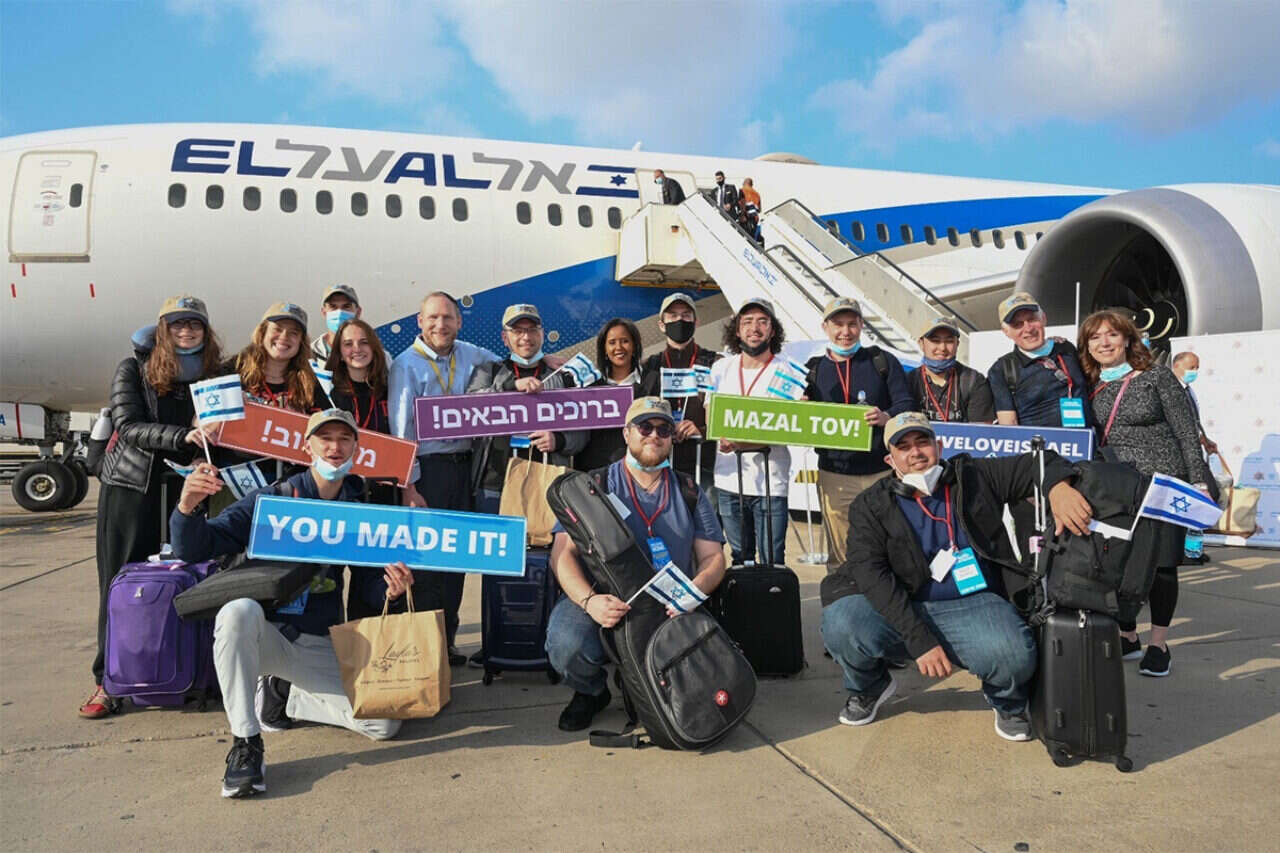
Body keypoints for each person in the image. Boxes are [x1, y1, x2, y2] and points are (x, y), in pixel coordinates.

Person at [169, 409, 414, 798]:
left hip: (316, 640)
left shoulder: (360, 508)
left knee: (383, 725)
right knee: (237, 611)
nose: (334, 447)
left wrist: (391, 592)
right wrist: (187, 508)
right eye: (325, 438)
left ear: (356, 449)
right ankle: (246, 744)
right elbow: (196, 546)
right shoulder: (273, 498)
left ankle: (286, 697)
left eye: (344, 439)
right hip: (264, 636)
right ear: (306, 447)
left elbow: (369, 588)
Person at [820, 412, 1094, 737]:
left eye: (922, 442)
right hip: (904, 603)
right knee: (841, 623)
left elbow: (1041, 462)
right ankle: (869, 686)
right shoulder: (870, 504)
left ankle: (1006, 701)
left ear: (939, 446)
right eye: (903, 447)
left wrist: (1058, 489)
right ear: (890, 460)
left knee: (1014, 655)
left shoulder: (974, 476)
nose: (915, 453)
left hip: (974, 603)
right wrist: (920, 641)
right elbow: (871, 574)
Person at [80, 296, 225, 719]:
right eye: (177, 324)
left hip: (189, 489)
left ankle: (189, 673)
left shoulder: (215, 374)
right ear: (163, 329)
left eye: (195, 324)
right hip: (133, 489)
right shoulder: (133, 368)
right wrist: (184, 437)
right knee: (119, 587)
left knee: (194, 580)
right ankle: (108, 680)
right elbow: (128, 425)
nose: (187, 332)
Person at [547, 397, 726, 731]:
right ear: (626, 433)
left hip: (669, 603)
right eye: (644, 427)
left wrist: (692, 592)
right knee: (565, 645)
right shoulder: (593, 486)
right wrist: (589, 601)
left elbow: (713, 558)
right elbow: (562, 555)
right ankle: (591, 691)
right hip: (605, 595)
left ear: (672, 438)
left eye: (663, 429)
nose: (654, 435)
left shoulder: (689, 490)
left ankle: (640, 681)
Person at [1080, 310, 1212, 677]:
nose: (1104, 343)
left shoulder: (1157, 377)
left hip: (1162, 483)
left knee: (1162, 565)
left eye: (1112, 335)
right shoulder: (1088, 385)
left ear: (1127, 339)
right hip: (1116, 486)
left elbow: (1186, 431)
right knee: (1119, 563)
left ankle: (1158, 644)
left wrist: (1198, 481)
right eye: (1095, 337)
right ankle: (1128, 635)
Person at [388, 291, 499, 664]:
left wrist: (545, 360)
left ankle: (446, 641)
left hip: (463, 468)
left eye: (448, 318)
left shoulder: (471, 354)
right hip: (428, 472)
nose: (440, 325)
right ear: (420, 321)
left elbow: (508, 365)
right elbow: (401, 431)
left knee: (456, 559)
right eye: (433, 318)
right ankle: (425, 648)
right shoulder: (406, 365)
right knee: (426, 562)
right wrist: (409, 487)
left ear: (459, 322)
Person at [803, 297, 913, 572]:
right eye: (838, 324)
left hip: (881, 471)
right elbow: (796, 412)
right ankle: (843, 594)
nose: (845, 331)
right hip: (835, 474)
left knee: (889, 543)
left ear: (862, 325)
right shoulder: (813, 369)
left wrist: (886, 416)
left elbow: (905, 404)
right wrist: (800, 407)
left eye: (852, 324)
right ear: (825, 327)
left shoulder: (881, 361)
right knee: (841, 553)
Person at [986, 292, 1091, 562]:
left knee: (1084, 549)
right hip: (1040, 472)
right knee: (1038, 554)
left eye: (1031, 319)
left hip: (1084, 463)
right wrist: (1028, 480)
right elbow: (1009, 427)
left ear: (1043, 318)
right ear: (1006, 332)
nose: (1027, 328)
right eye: (1017, 324)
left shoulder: (1068, 350)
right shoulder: (1002, 369)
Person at [709, 298, 791, 566]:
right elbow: (713, 414)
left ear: (773, 330)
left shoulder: (787, 370)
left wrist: (738, 442)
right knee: (739, 559)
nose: (754, 328)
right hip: (728, 479)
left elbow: (785, 428)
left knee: (772, 560)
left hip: (771, 481)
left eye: (762, 322)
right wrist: (724, 437)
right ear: (737, 330)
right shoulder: (721, 368)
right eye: (747, 322)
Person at [638, 292, 719, 488]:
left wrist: (702, 430)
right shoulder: (649, 365)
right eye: (673, 316)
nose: (680, 320)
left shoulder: (715, 362)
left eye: (685, 315)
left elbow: (725, 414)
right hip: (660, 462)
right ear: (662, 324)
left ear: (695, 322)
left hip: (704, 462)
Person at [574, 317, 644, 472]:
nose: (619, 347)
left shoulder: (650, 382)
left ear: (634, 346)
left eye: (625, 341)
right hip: (593, 472)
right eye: (612, 342)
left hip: (637, 472)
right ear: (604, 349)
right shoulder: (590, 385)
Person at [236, 302, 331, 415]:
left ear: (301, 342)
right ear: (262, 333)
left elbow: (327, 421)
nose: (284, 337)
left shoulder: (311, 385)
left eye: (293, 333)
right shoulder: (234, 370)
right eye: (277, 329)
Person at [1171, 350, 1218, 564]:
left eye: (1197, 367)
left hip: (1193, 450)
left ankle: (1191, 550)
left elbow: (1192, 423)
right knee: (1197, 497)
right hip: (1178, 454)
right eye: (1192, 367)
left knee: (1204, 496)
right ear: (1177, 366)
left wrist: (1204, 440)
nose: (1195, 371)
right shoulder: (1170, 391)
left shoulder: (1188, 390)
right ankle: (1184, 550)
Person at [907, 315, 995, 423]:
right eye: (935, 341)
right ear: (921, 344)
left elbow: (981, 429)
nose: (942, 348)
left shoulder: (974, 381)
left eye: (949, 341)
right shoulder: (908, 381)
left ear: (957, 344)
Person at [310, 284, 362, 362]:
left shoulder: (370, 352)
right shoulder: (310, 354)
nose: (339, 312)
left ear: (358, 312)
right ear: (324, 312)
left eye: (346, 306)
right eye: (333, 306)